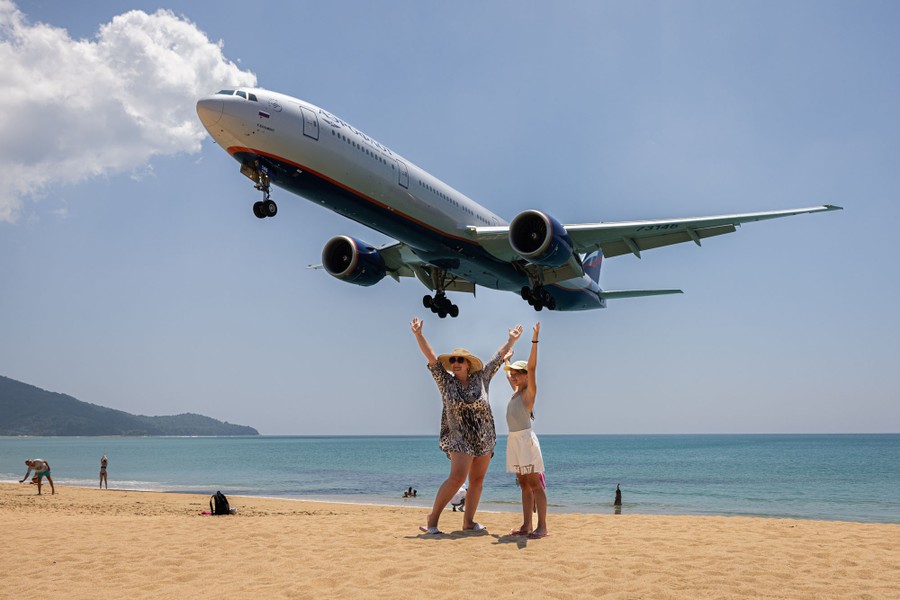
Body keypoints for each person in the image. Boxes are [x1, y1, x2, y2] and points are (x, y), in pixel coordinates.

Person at [411, 316, 523, 534]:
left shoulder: (482, 378)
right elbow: (432, 357)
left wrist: (511, 341)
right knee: (457, 478)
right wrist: (419, 335)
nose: (455, 363)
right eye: (453, 360)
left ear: (469, 364)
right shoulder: (446, 381)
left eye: (460, 360)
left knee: (477, 481)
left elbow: (497, 358)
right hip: (459, 437)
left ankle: (468, 522)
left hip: (484, 437)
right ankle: (432, 519)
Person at [504, 322, 549, 539]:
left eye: (517, 374)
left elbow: (532, 368)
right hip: (514, 441)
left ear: (525, 376)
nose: (513, 376)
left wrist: (534, 339)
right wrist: (507, 359)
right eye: (512, 374)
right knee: (523, 484)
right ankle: (526, 526)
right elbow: (509, 374)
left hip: (525, 440)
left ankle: (542, 527)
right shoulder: (515, 391)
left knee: (535, 484)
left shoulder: (528, 394)